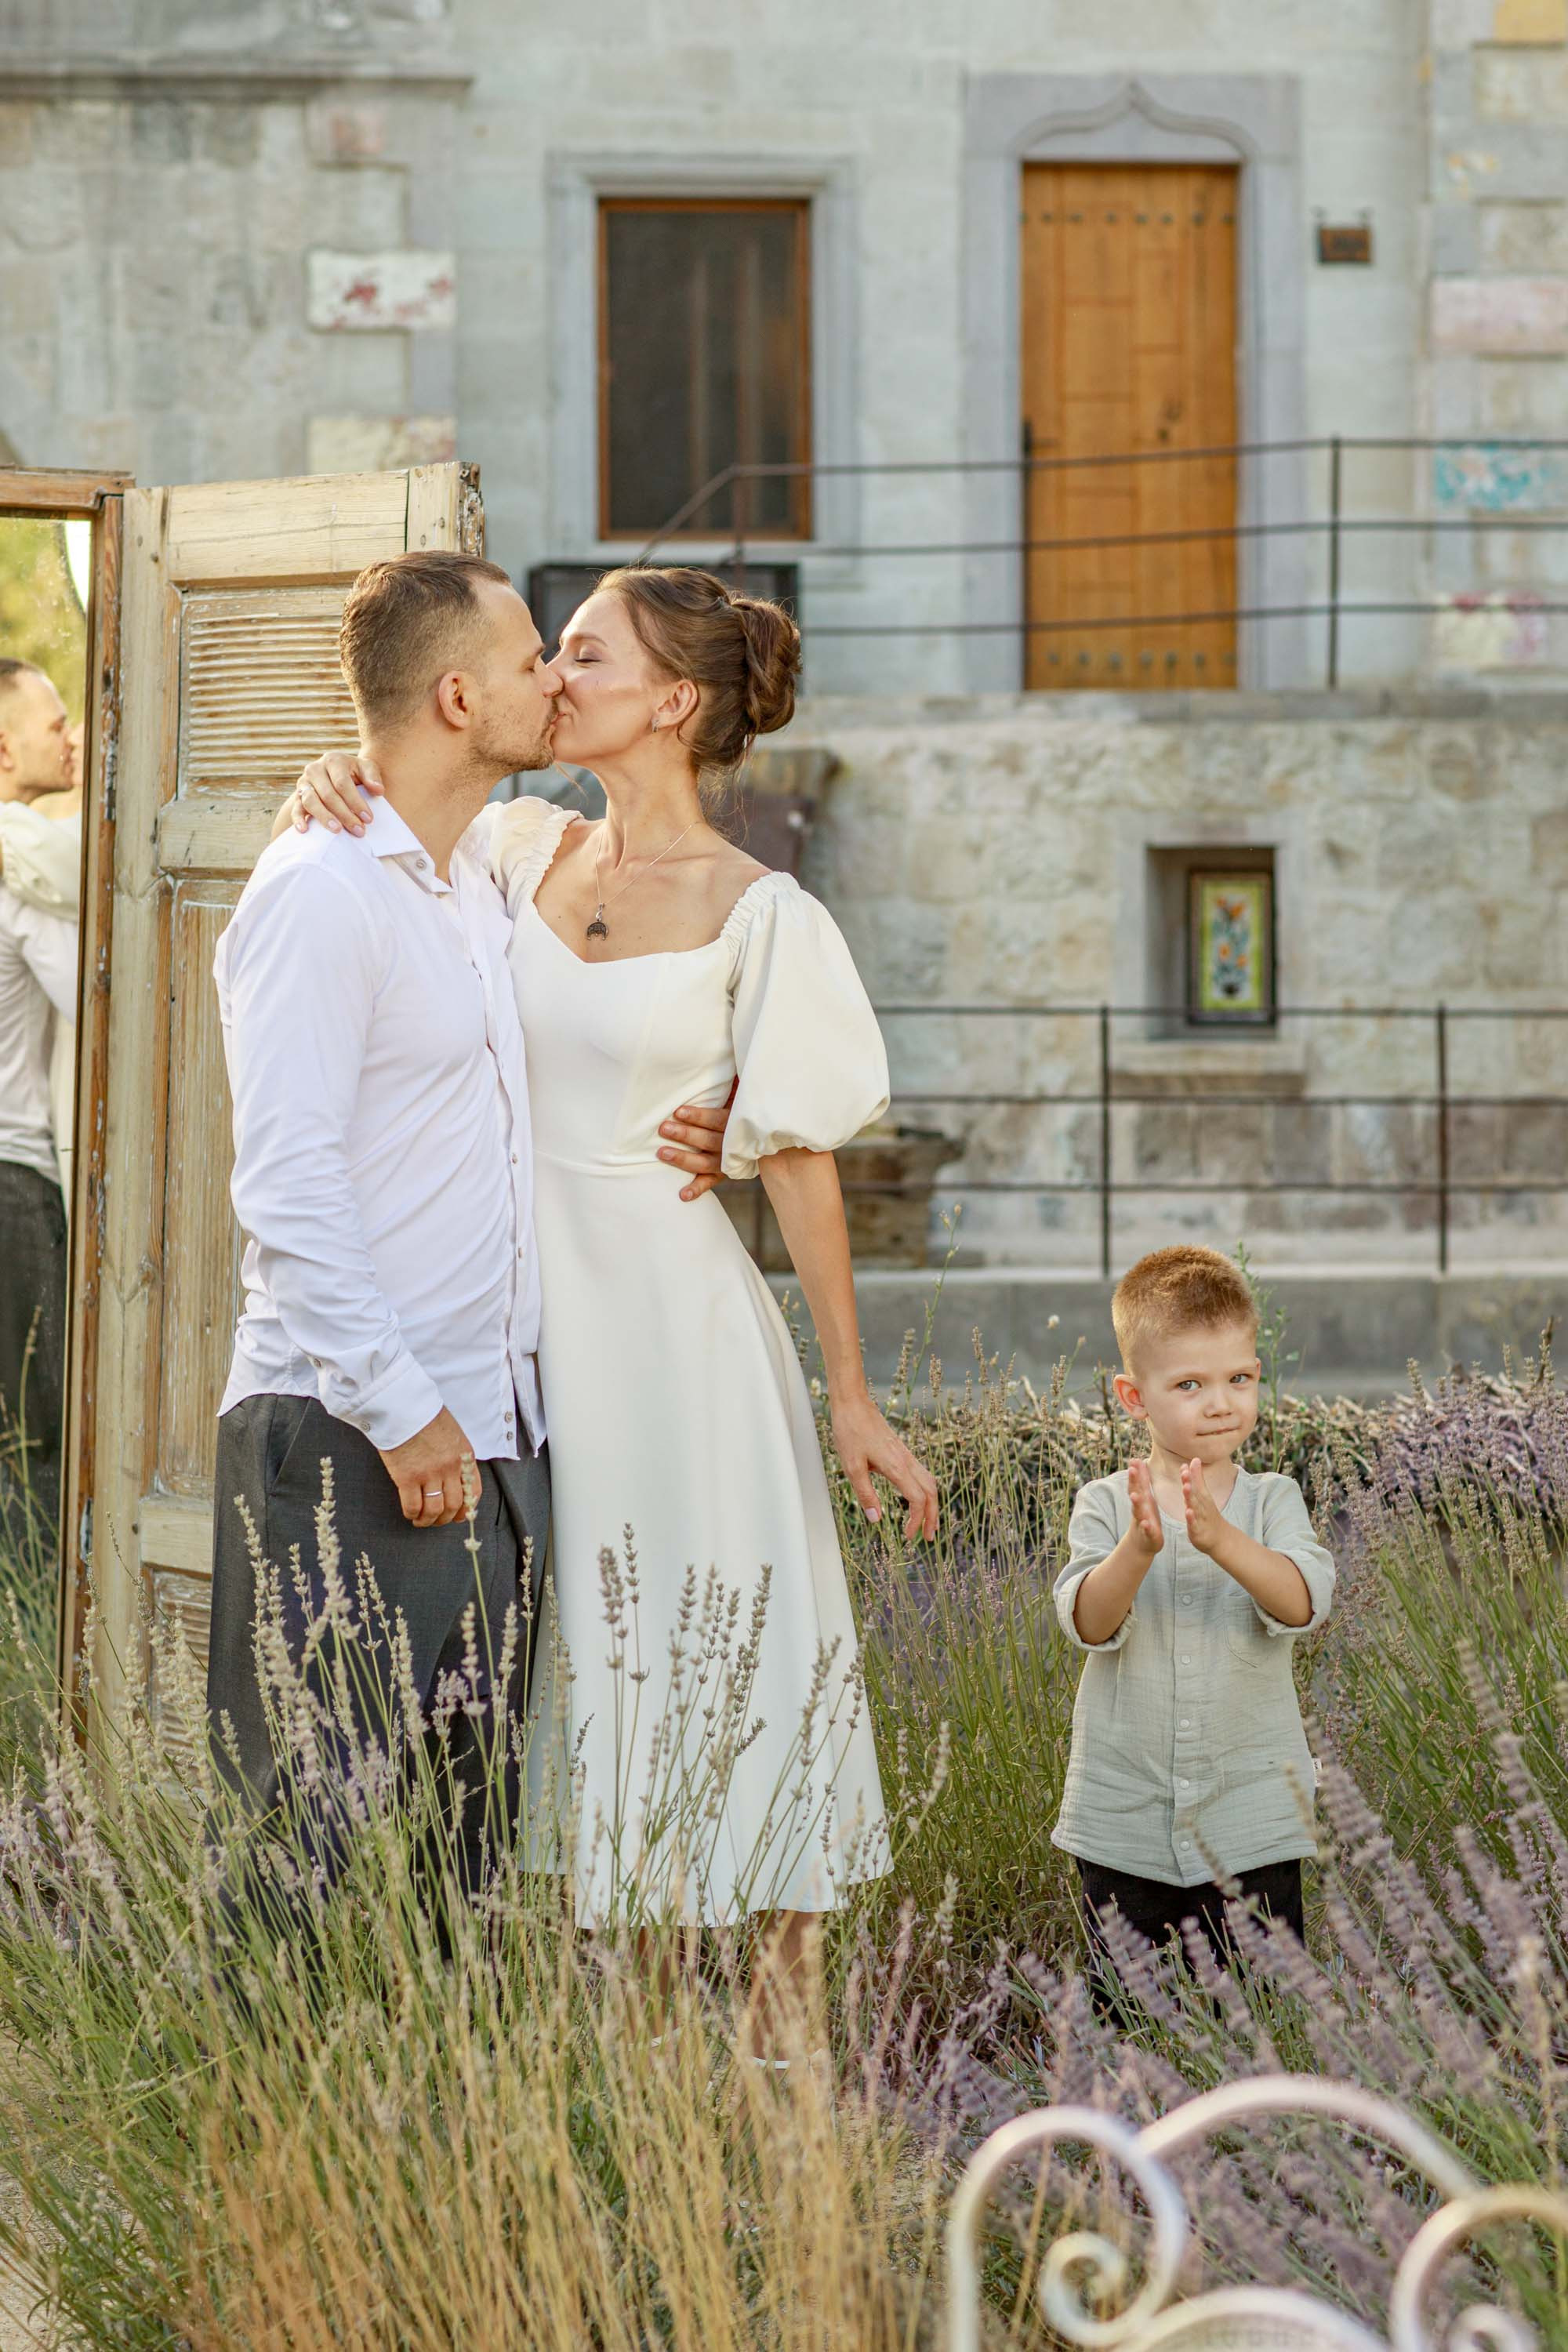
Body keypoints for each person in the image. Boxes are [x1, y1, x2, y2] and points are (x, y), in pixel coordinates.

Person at [287, 562, 937, 2021]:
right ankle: (635, 2079)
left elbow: (803, 1168)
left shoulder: (764, 915)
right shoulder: (513, 847)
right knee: (595, 1673)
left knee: (733, 1659)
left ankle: (790, 2099)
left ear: (674, 700)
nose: (556, 674)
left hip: (686, 1338)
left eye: (585, 652)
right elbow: (389, 834)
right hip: (530, 1337)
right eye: (553, 649)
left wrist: (851, 1398)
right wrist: (332, 774)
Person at [209, 554, 733, 1907]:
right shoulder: (319, 894)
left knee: (463, 1873)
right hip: (352, 1434)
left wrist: (732, 1103)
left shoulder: (469, 885)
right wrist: (399, 1410)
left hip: (493, 1441)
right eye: (525, 662)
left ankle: (423, 2123)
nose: (553, 680)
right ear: (456, 696)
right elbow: (287, 1182)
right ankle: (249, 2123)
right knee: (305, 1871)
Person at [1051, 1244, 1335, 2002]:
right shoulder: (1108, 1504)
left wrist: (1224, 1541)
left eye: (1239, 1378)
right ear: (1133, 1396)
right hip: (1126, 1816)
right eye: (1190, 1384)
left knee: (1257, 2015)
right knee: (1132, 2016)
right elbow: (1085, 1619)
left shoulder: (1272, 1499)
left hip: (1252, 1814)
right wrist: (1139, 1550)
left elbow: (1303, 1601)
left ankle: (1250, 2123)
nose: (1221, 1403)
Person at [0, 659, 78, 1539]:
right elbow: (100, 997)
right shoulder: (23, 866)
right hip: (14, 1183)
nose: (71, 737)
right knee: (36, 1439)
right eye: (54, 721)